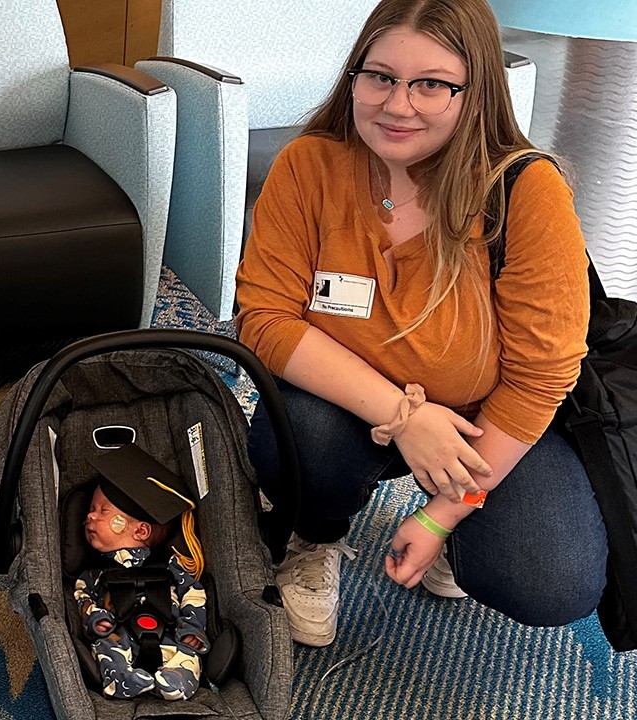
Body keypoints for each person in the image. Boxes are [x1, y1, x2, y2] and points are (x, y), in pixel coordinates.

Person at [236, 0, 607, 648]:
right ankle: (316, 532)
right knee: (298, 439)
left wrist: (441, 515)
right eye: (380, 76)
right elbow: (264, 318)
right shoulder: (310, 164)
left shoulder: (526, 190)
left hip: (486, 419)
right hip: (347, 408)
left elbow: (542, 377)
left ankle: (460, 529)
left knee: (550, 577)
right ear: (355, 75)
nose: (397, 104)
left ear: (476, 91)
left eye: (431, 84)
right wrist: (406, 418)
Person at [72, 444, 210, 700]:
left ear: (141, 531)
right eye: (91, 509)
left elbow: (193, 593)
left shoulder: (170, 567)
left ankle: (175, 681)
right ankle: (123, 679)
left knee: (188, 655)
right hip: (118, 632)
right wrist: (95, 618)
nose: (90, 517)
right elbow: (83, 599)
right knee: (106, 648)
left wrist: (192, 628)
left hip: (170, 632)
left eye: (102, 511)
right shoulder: (93, 575)